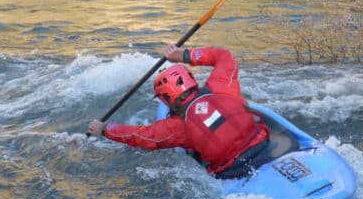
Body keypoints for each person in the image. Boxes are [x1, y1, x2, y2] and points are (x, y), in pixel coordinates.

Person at [88, 44, 270, 179]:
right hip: (265, 144)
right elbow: (225, 56)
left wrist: (105, 129)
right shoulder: (221, 86)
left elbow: (141, 137)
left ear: (166, 99)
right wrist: (184, 54)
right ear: (191, 80)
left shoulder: (177, 127)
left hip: (235, 170)